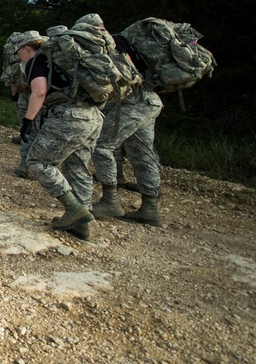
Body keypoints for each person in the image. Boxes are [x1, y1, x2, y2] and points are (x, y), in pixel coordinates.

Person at [16, 22, 104, 241]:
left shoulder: (37, 60)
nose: (19, 56)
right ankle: (82, 224)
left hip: (69, 117)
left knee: (37, 162)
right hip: (93, 117)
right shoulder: (63, 61)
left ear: (27, 48)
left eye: (19, 52)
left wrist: (28, 120)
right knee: (77, 165)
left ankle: (74, 209)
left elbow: (39, 92)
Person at [91, 33, 165, 227]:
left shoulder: (110, 45)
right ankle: (150, 209)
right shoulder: (127, 42)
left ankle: (110, 202)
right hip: (150, 100)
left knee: (101, 146)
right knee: (142, 152)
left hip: (132, 103)